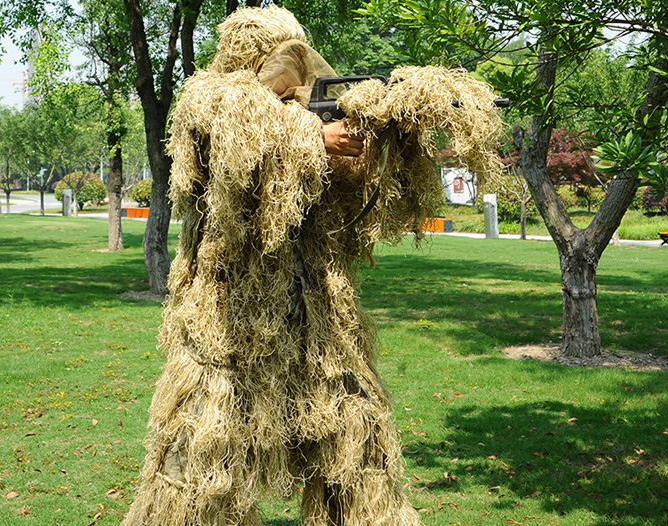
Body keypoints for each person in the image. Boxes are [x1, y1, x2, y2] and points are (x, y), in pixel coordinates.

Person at [122, 6, 500, 526]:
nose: (294, 81)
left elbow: (351, 201)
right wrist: (314, 137)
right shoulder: (209, 98)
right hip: (231, 322)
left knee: (357, 434)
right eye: (281, 69)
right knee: (207, 459)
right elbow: (240, 139)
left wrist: (386, 138)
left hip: (319, 317)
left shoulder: (302, 109)